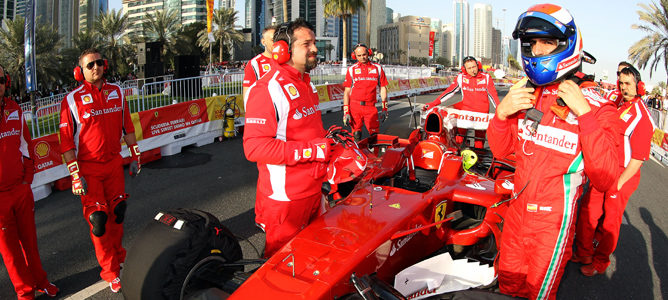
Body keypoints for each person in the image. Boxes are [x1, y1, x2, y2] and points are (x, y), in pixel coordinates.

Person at [486, 4, 619, 299]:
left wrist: (584, 115)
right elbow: (504, 151)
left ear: (567, 43)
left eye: (546, 41)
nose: (537, 50)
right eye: (531, 43)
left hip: (552, 225)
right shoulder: (527, 92)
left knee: (537, 293)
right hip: (516, 213)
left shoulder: (597, 105)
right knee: (507, 286)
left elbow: (606, 177)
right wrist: (501, 116)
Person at [243, 19, 333, 258]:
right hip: (287, 199)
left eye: (314, 42)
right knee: (279, 264)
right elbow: (254, 147)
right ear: (284, 49)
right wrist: (313, 150)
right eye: (307, 44)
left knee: (311, 256)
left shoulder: (307, 84)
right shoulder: (268, 88)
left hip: (314, 191)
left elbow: (303, 130)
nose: (315, 48)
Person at [58, 49, 141, 293]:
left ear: (105, 65)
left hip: (114, 164)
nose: (95, 67)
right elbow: (65, 142)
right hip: (89, 169)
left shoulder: (117, 92)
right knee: (99, 220)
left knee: (117, 213)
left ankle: (119, 255)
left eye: (99, 63)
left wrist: (135, 155)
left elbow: (127, 127)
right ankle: (110, 271)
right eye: (89, 65)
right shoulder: (71, 100)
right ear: (80, 72)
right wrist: (75, 175)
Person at [574, 65, 654, 276]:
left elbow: (638, 159)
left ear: (640, 86)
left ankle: (600, 262)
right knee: (589, 210)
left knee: (610, 221)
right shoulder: (616, 103)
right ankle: (584, 252)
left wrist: (618, 184)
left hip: (623, 175)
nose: (623, 87)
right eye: (621, 83)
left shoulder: (643, 117)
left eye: (628, 84)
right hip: (603, 167)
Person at [0, 65, 59, 299]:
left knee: (30, 243)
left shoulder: (14, 109)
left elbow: (26, 145)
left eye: (0, 79)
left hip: (21, 190)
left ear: (6, 82)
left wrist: (27, 180)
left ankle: (40, 281)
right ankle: (25, 293)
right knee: (10, 251)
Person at [422, 56, 499, 148]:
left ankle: (479, 158)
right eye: (469, 68)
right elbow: (449, 92)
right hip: (465, 113)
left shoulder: (486, 77)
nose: (472, 70)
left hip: (482, 114)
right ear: (464, 69)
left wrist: (501, 111)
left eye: (474, 67)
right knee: (459, 137)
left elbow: (493, 96)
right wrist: (433, 103)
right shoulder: (461, 77)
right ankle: (457, 156)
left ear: (478, 66)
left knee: (479, 140)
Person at [342, 44, 389, 141]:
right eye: (359, 56)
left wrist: (385, 108)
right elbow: (347, 92)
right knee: (356, 135)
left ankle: (375, 155)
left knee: (375, 136)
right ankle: (358, 155)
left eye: (364, 54)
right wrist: (346, 111)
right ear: (354, 56)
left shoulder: (378, 68)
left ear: (369, 53)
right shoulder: (351, 70)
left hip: (370, 107)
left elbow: (383, 88)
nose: (362, 57)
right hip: (355, 107)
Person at [243, 25, 277, 105]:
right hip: (265, 112)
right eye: (273, 40)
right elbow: (247, 97)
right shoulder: (254, 64)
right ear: (263, 42)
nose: (276, 43)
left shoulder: (288, 60)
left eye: (279, 40)